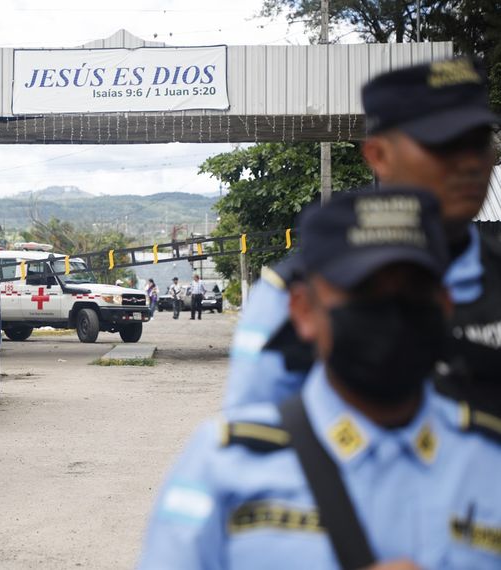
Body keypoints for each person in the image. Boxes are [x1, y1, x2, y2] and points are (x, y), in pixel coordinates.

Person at [139, 189, 501, 569]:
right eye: (364, 290)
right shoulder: (223, 467)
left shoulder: (488, 463)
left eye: (413, 290)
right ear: (303, 310)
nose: (390, 312)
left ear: (445, 305)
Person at [225, 57, 501, 414]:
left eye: (479, 142)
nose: (470, 163)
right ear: (378, 156)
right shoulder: (297, 294)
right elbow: (254, 441)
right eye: (444, 145)